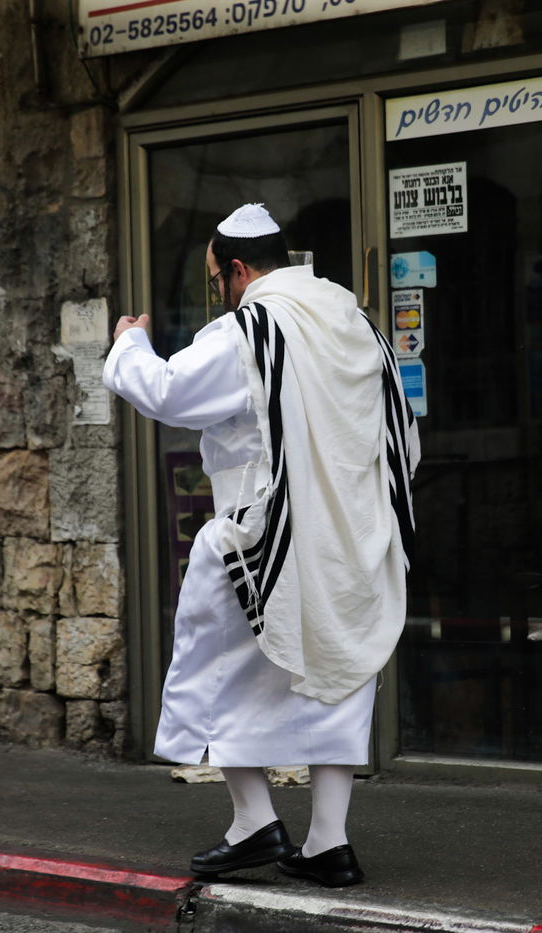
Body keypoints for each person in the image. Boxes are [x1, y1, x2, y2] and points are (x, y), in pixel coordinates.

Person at [101, 203, 418, 887]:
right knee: (338, 671)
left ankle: (253, 820)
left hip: (261, 535)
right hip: (355, 535)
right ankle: (328, 842)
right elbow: (402, 432)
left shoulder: (249, 327)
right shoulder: (356, 320)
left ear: (238, 270)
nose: (219, 290)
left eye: (217, 278)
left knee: (215, 665)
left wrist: (128, 344)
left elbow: (168, 392)